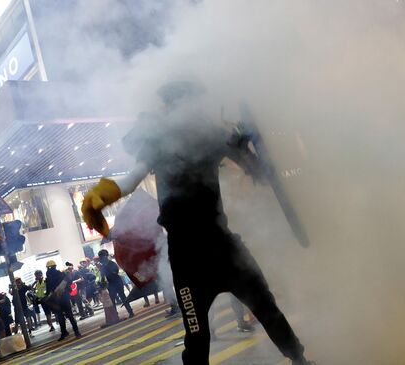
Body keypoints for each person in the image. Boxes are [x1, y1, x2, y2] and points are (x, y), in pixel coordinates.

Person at [81, 80, 313, 365]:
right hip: (192, 254)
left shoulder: (210, 135)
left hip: (216, 246)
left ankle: (300, 360)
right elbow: (130, 180)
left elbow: (259, 173)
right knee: (201, 333)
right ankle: (299, 360)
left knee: (262, 309)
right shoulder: (166, 138)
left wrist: (250, 144)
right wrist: (103, 195)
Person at [45, 260, 81, 341]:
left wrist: (47, 298)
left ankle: (64, 333)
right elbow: (70, 282)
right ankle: (76, 332)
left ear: (48, 268)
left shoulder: (48, 278)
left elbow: (48, 290)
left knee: (60, 316)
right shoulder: (61, 274)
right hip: (64, 297)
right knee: (69, 315)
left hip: (56, 298)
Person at [97, 250, 135, 318]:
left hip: (117, 282)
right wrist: (101, 283)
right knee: (112, 300)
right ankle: (115, 316)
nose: (101, 259)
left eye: (101, 257)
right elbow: (102, 276)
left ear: (105, 256)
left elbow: (115, 272)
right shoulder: (102, 266)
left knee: (123, 297)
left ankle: (130, 311)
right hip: (111, 284)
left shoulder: (112, 263)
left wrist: (105, 269)